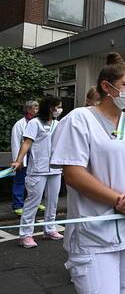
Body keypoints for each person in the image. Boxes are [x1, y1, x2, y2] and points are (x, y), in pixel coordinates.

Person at [49, 52, 125, 294]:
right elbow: (74, 174)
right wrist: (122, 201)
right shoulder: (79, 119)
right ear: (107, 87)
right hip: (94, 232)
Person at [10, 96, 64, 248]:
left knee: (52, 201)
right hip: (38, 169)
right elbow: (26, 142)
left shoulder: (58, 124)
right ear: (49, 107)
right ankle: (25, 234)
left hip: (55, 168)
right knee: (33, 202)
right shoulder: (34, 123)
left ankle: (49, 229)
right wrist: (18, 160)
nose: (59, 110)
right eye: (57, 107)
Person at [10, 100, 39, 215]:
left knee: (34, 181)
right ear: (28, 110)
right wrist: (18, 159)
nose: (38, 110)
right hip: (23, 157)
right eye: (35, 108)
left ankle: (34, 203)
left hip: (36, 157)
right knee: (20, 181)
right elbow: (16, 142)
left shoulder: (38, 122)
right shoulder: (19, 124)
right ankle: (18, 205)